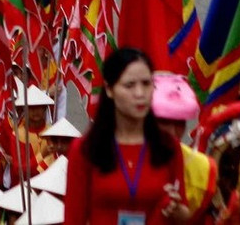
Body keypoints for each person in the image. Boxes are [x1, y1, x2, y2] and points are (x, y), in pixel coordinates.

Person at [64, 47, 189, 224]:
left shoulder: (168, 146)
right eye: (129, 85)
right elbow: (73, 219)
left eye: (146, 84)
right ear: (109, 89)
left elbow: (184, 214)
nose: (140, 94)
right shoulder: (86, 149)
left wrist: (177, 211)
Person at [151, 73, 220, 224]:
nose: (173, 132)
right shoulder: (113, 160)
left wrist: (186, 219)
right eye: (163, 121)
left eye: (179, 123)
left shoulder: (203, 169)